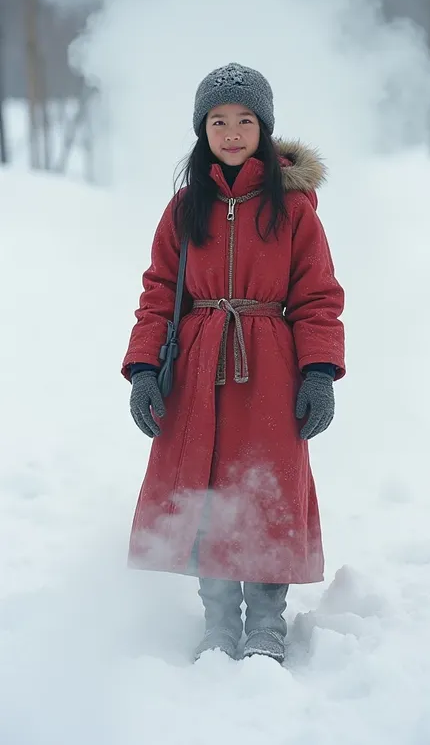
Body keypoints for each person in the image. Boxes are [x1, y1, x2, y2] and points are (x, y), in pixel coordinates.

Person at [122, 62, 345, 664]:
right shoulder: (183, 208)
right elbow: (158, 292)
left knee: (267, 488)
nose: (231, 131)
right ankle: (219, 620)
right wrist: (145, 369)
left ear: (264, 129)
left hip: (271, 366)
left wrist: (319, 372)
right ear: (203, 131)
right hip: (198, 367)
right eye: (218, 120)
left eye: (244, 120)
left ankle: (267, 621)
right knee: (210, 489)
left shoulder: (294, 209)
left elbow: (319, 295)